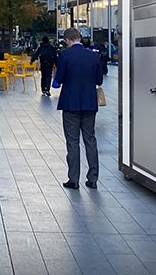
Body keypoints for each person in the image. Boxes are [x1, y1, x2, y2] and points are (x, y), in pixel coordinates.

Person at [53, 27, 104, 190]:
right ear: (80, 38)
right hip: (89, 104)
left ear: (67, 40)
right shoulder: (93, 56)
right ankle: (93, 178)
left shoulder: (65, 55)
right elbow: (99, 80)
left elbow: (58, 79)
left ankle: (73, 179)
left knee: (72, 142)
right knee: (90, 140)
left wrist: (57, 81)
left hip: (71, 104)